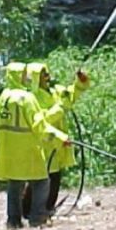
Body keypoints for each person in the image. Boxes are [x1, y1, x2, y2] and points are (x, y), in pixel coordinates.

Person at [0, 62, 70, 229]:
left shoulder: (3, 97)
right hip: (27, 147)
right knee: (41, 181)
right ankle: (37, 217)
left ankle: (13, 221)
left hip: (8, 149)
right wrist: (60, 138)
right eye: (23, 74)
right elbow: (39, 124)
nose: (26, 78)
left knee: (14, 184)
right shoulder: (27, 98)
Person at [26, 62, 90, 215]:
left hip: (57, 143)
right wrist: (61, 107)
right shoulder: (32, 99)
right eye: (44, 75)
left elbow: (72, 94)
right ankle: (28, 210)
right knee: (40, 179)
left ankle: (48, 209)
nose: (48, 77)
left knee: (55, 178)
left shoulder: (56, 92)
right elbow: (44, 119)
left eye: (47, 73)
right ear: (35, 78)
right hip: (44, 144)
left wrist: (80, 81)